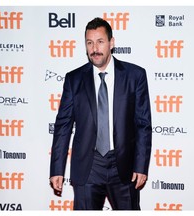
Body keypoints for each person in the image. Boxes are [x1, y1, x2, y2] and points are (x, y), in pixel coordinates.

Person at [49, 17, 152, 210]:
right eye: (89, 42)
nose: (94, 48)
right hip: (88, 166)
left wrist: (141, 165)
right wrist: (57, 169)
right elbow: (63, 126)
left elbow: (143, 125)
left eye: (100, 41)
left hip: (123, 166)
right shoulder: (74, 79)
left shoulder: (135, 76)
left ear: (111, 43)